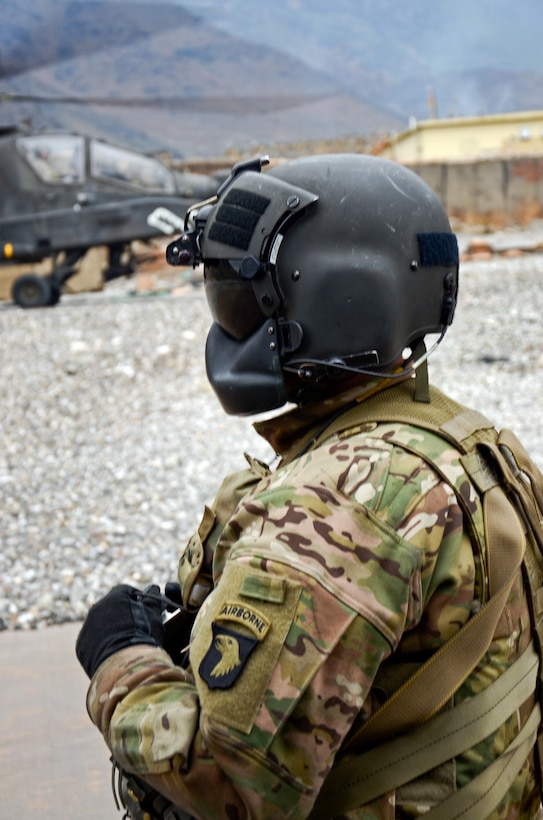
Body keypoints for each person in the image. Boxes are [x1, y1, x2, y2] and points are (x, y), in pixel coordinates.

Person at [76, 154, 542, 819]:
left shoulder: (339, 506)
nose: (227, 320)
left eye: (243, 295)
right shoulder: (469, 444)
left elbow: (233, 791)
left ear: (331, 297)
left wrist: (122, 661)